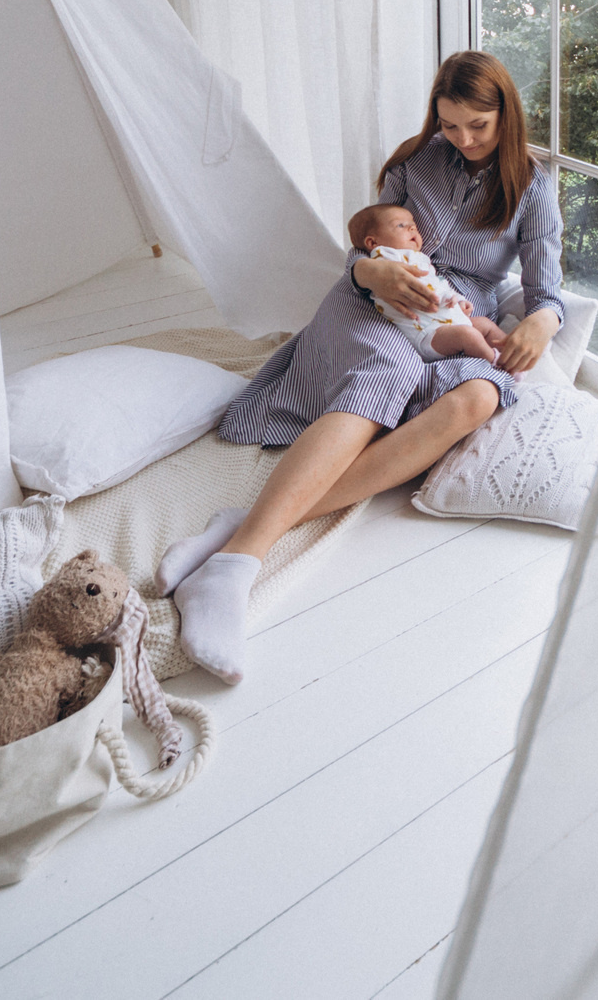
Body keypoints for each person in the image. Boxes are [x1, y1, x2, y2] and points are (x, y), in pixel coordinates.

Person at [163, 51, 564, 683]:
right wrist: (368, 271)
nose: (463, 140)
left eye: (478, 126)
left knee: (480, 399)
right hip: (375, 298)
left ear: (505, 117)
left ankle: (240, 529)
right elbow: (366, 245)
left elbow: (546, 292)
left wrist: (543, 321)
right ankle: (239, 564)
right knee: (388, 374)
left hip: (453, 315)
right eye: (450, 124)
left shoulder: (533, 188)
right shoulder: (414, 161)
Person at [349, 202, 507, 363]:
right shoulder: (385, 257)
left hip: (448, 321)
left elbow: (438, 283)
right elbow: (418, 288)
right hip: (427, 333)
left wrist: (458, 299)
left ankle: (511, 355)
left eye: (414, 225)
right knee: (468, 335)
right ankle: (500, 365)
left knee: (485, 324)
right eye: (400, 225)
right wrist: (443, 299)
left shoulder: (419, 258)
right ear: (373, 243)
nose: (412, 228)